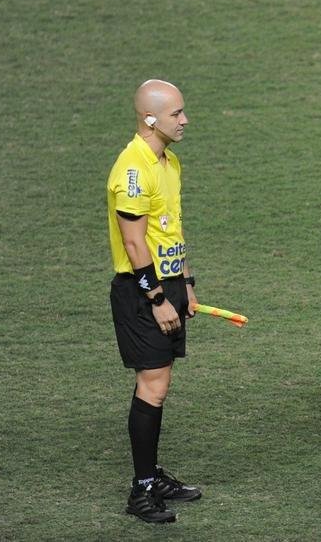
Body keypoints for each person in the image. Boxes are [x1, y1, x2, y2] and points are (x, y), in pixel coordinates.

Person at [106, 79, 203, 523]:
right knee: (153, 385)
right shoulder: (132, 169)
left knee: (159, 384)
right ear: (150, 118)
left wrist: (187, 282)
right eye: (176, 113)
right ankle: (142, 490)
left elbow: (171, 228)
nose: (185, 120)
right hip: (143, 290)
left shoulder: (169, 161)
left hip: (169, 284)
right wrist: (158, 298)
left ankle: (152, 476)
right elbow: (133, 242)